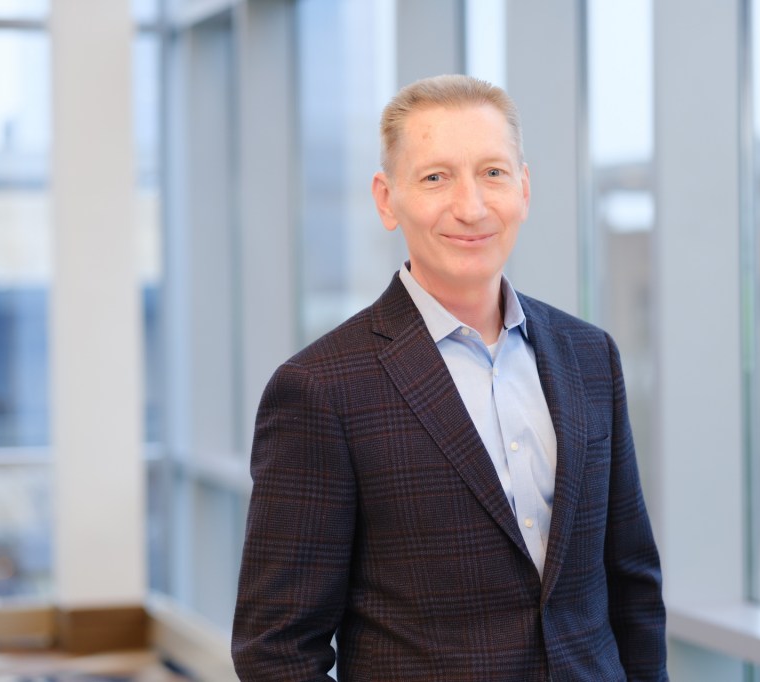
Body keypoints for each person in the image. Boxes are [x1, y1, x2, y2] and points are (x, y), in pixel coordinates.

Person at [232, 74, 667, 681]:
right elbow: (275, 649)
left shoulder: (590, 356)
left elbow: (632, 589)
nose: (471, 206)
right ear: (387, 199)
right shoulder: (320, 389)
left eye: (492, 173)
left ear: (524, 188)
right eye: (436, 177)